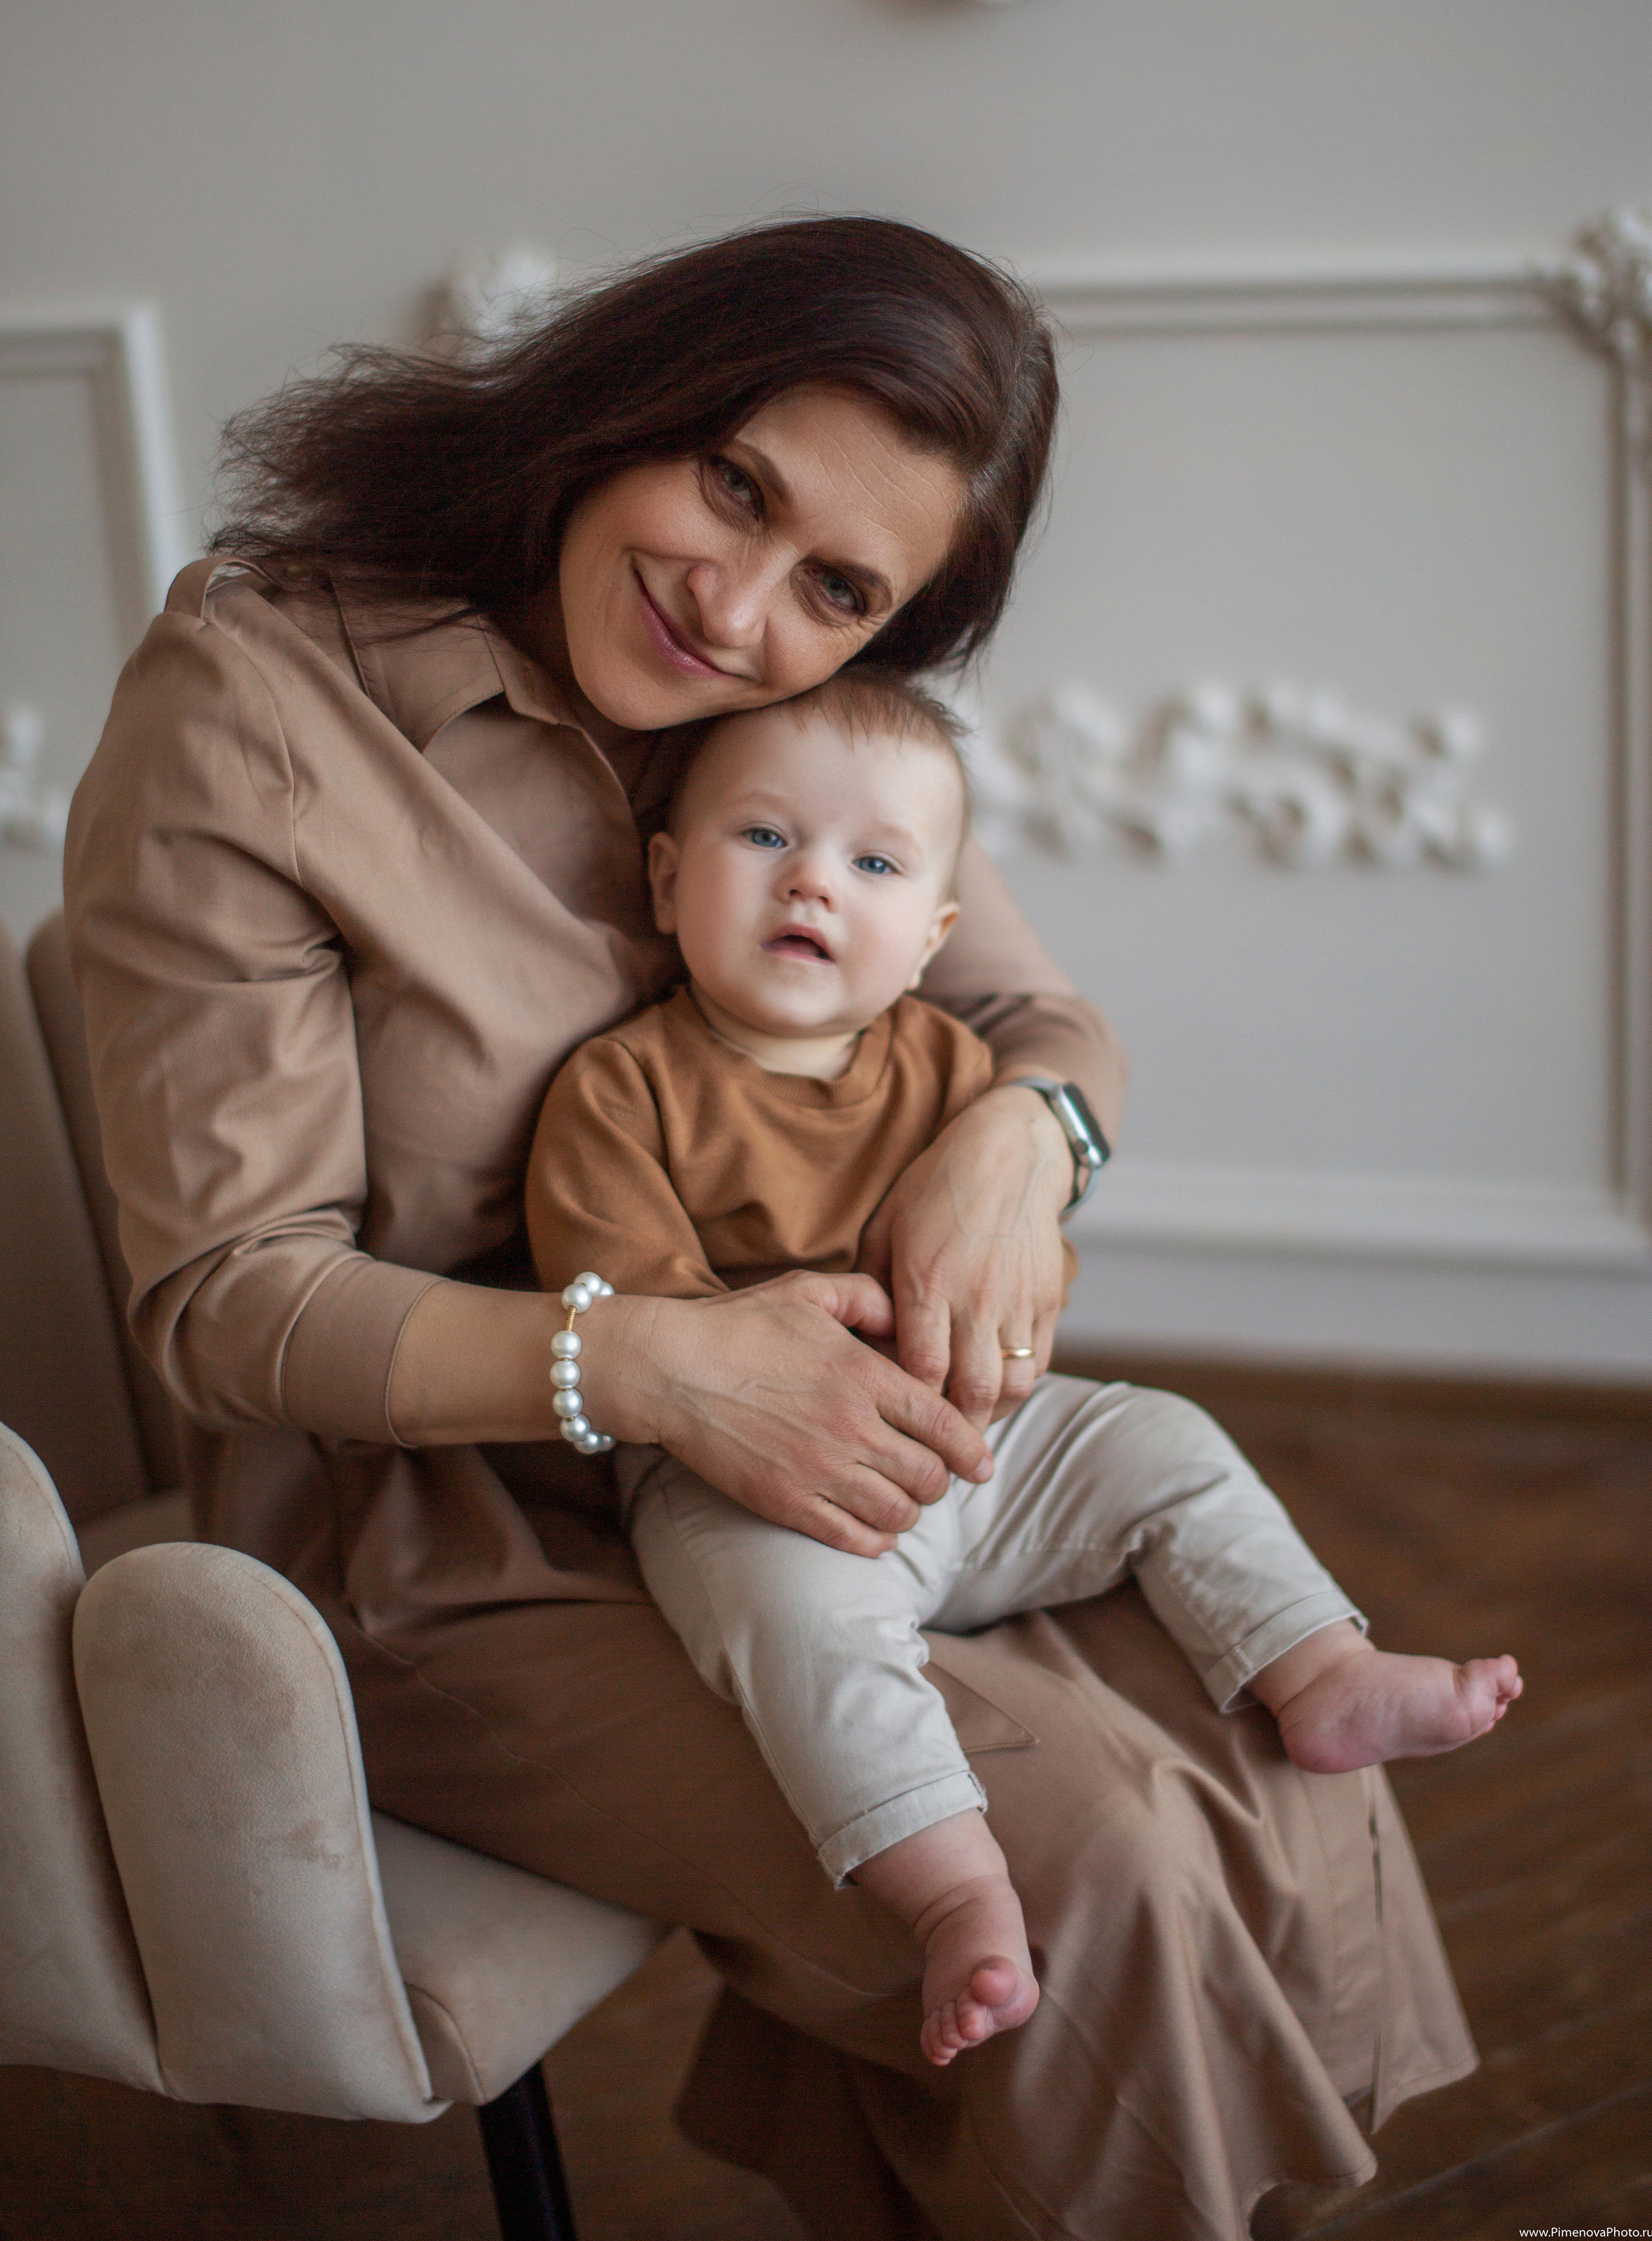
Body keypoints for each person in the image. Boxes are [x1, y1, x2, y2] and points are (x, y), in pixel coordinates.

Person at [65, 218, 1480, 2240]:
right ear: (623, 394)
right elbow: (226, 1301)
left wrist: (1018, 1147)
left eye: (840, 587)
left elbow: (1046, 1027)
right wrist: (652, 1362)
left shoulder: (807, 696)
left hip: (841, 1469)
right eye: (733, 484)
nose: (736, 611)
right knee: (1094, 1860)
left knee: (1266, 1733)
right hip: (440, 1552)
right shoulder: (262, 706)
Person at [524, 673, 1521, 2072]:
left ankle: (1322, 1670)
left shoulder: (954, 1072)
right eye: (765, 838)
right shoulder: (620, 1088)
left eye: (873, 865)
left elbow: (1019, 1274)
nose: (814, 881)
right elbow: (632, 1312)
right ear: (667, 877)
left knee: (1165, 1441)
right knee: (798, 1634)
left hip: (980, 1449)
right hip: (749, 1483)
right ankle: (952, 1892)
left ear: (933, 935)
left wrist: (1010, 1307)